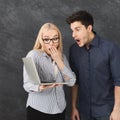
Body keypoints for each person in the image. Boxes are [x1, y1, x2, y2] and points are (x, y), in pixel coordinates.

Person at [66, 10, 120, 120]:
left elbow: (118, 81)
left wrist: (117, 110)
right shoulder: (74, 50)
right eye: (72, 30)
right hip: (83, 112)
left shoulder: (110, 48)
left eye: (77, 29)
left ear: (89, 28)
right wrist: (74, 107)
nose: (73, 35)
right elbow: (75, 81)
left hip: (106, 112)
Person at [23, 22, 76, 120]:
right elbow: (27, 85)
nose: (51, 43)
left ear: (59, 39)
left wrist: (59, 61)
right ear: (41, 40)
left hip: (60, 109)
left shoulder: (62, 57)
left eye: (55, 38)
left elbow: (71, 82)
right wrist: (40, 87)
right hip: (39, 110)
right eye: (46, 39)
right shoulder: (33, 55)